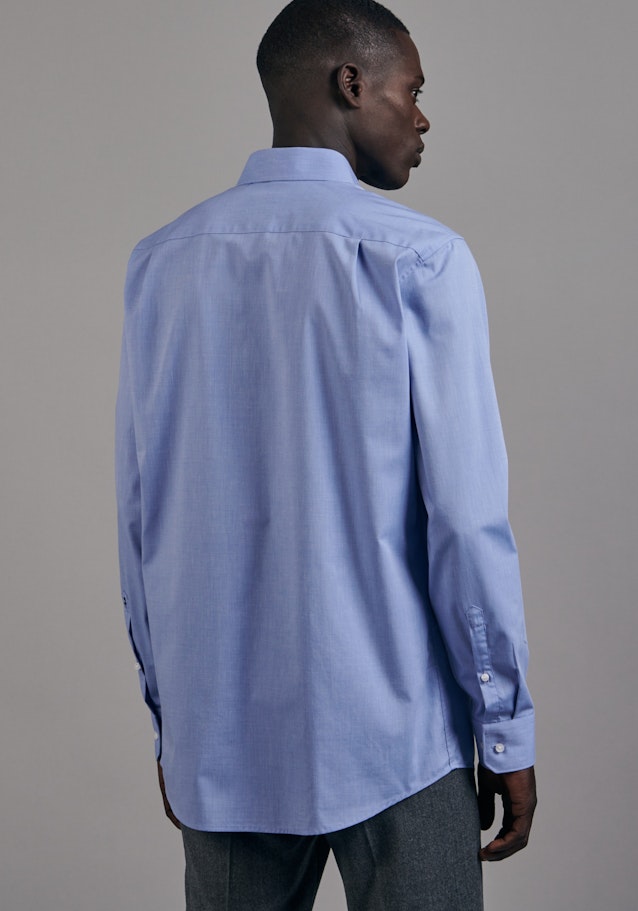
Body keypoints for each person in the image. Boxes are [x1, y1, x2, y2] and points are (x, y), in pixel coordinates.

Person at [115, 0, 536, 908]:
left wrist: (170, 723)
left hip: (221, 741)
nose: (422, 117)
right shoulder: (420, 258)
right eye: (410, 90)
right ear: (351, 83)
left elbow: (142, 516)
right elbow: (466, 519)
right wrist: (504, 725)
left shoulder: (162, 262)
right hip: (400, 739)